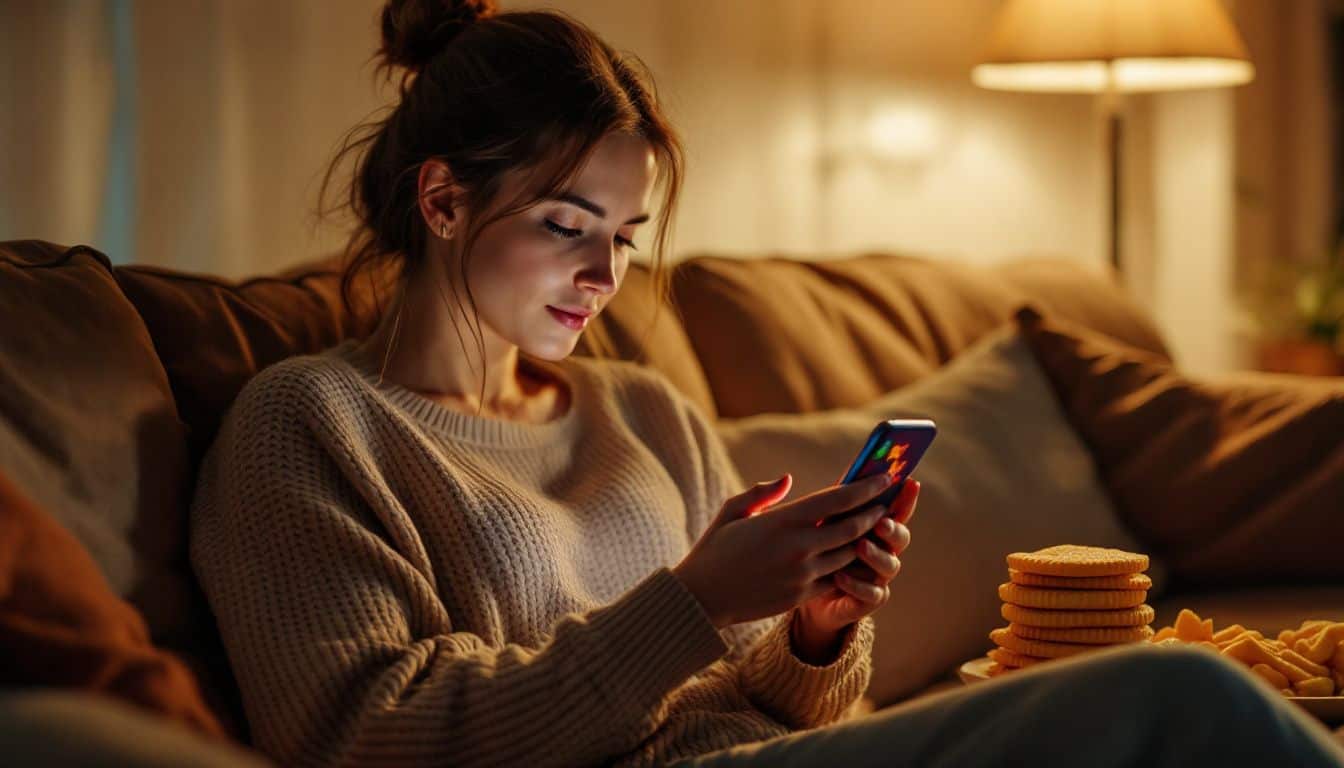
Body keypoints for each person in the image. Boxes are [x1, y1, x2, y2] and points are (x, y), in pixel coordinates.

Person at [187, 2, 1344, 766]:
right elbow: (362, 735)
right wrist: (690, 601)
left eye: (627, 234)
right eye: (566, 225)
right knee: (1183, 705)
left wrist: (812, 628)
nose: (605, 274)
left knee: (1181, 703)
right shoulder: (312, 424)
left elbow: (774, 702)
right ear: (442, 204)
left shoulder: (640, 408)